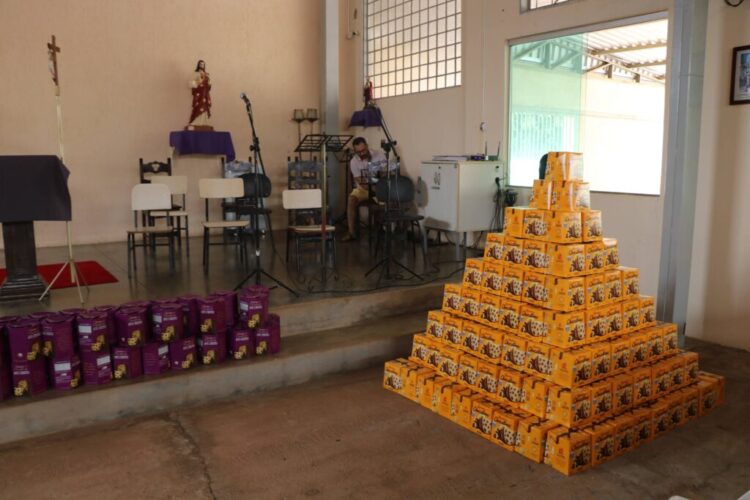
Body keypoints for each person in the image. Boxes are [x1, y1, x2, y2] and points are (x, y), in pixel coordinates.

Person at [343, 137, 388, 241]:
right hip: (364, 189)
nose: (362, 153)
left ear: (367, 146)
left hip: (380, 187)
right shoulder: (353, 161)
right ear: (355, 151)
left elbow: (386, 174)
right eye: (358, 152)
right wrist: (372, 188)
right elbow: (360, 181)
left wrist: (379, 185)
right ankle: (351, 232)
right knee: (351, 199)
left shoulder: (379, 155)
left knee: (385, 200)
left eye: (363, 150)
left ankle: (380, 229)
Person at [188, 60, 212, 129]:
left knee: (204, 106)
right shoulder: (195, 73)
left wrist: (209, 82)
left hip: (205, 94)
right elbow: (190, 83)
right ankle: (196, 121)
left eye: (203, 64)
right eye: (200, 64)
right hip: (199, 94)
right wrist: (198, 82)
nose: (202, 65)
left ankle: (204, 122)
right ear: (198, 65)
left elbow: (209, 84)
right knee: (198, 106)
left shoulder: (206, 74)